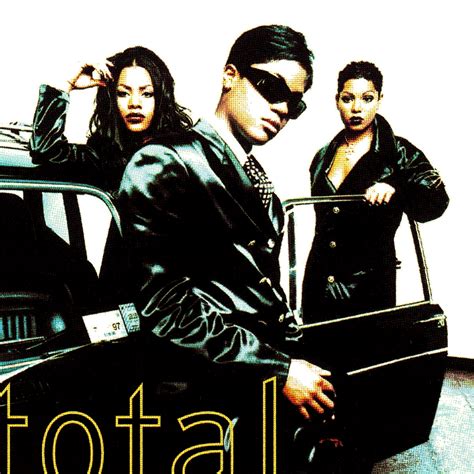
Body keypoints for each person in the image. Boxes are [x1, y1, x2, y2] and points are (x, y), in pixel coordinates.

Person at [118, 25, 337, 473]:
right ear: (229, 75)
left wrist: (293, 363)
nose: (282, 109)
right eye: (271, 87)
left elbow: (251, 291)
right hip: (198, 410)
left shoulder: (256, 180)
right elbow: (164, 308)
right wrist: (278, 369)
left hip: (252, 398)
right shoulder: (165, 161)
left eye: (294, 103)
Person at [302, 61, 449, 323]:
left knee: (368, 349)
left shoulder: (399, 153)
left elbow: (437, 201)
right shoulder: (322, 156)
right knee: (314, 349)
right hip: (318, 286)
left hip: (368, 291)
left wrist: (397, 189)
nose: (356, 108)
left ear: (379, 100)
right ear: (337, 101)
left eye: (367, 98)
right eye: (348, 98)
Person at [29, 46, 193, 197]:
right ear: (112, 100)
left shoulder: (186, 153)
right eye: (123, 93)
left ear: (161, 99)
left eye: (146, 94)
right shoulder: (106, 157)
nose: (134, 103)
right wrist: (66, 84)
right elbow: (46, 151)